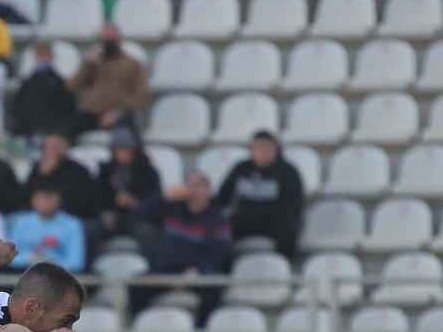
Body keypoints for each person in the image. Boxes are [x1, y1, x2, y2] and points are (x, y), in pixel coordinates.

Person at [136, 173, 233, 321]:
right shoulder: (172, 208)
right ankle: (142, 330)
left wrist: (197, 271)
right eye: (190, 186)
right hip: (169, 268)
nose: (194, 191)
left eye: (198, 186)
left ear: (208, 190)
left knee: (214, 290)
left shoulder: (217, 217)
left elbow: (220, 252)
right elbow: (139, 214)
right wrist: (164, 197)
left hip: (198, 271)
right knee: (136, 285)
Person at [217, 131, 305, 259]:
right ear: (251, 150)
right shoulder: (241, 168)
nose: (263, 152)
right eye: (258, 148)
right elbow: (222, 197)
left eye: (267, 148)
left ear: (276, 150)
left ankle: (283, 268)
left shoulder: (288, 172)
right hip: (244, 219)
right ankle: (223, 270)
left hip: (275, 221)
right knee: (219, 228)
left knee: (289, 231)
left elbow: (293, 205)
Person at [67, 23, 151, 136]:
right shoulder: (92, 63)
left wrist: (120, 111)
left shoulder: (133, 64)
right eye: (104, 40)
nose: (108, 44)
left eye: (112, 40)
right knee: (60, 134)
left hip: (120, 114)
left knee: (124, 139)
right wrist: (89, 64)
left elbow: (142, 95)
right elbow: (72, 86)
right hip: (91, 114)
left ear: (119, 40)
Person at [94, 127, 161, 244]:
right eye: (118, 150)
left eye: (125, 149)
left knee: (147, 232)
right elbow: (98, 197)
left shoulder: (147, 171)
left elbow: (156, 200)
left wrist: (135, 204)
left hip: (137, 218)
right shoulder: (106, 171)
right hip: (112, 216)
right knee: (90, 230)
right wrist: (106, 212)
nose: (122, 154)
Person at [9, 41, 76, 144]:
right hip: (27, 131)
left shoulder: (60, 84)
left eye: (45, 55)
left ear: (52, 57)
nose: (43, 59)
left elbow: (67, 111)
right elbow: (17, 109)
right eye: (40, 56)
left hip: (51, 131)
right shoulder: (27, 84)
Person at [19, 132, 97, 220]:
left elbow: (83, 202)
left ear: (65, 147)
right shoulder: (37, 168)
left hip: (71, 218)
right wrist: (44, 174)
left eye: (55, 146)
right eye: (48, 146)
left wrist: (53, 205)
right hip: (38, 217)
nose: (51, 149)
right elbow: (26, 196)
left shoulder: (79, 171)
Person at [8, 187, 85, 273]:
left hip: (59, 277)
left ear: (58, 200)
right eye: (40, 197)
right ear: (33, 200)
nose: (44, 202)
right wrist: (30, 257)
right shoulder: (21, 222)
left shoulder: (72, 225)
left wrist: (48, 260)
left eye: (48, 197)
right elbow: (10, 258)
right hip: (23, 275)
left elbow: (76, 263)